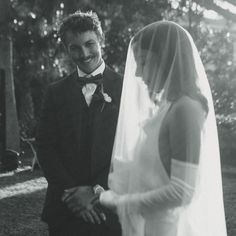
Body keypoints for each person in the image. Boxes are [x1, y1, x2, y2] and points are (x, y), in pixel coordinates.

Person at [99, 21, 227, 236]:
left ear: (166, 59)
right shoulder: (168, 107)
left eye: (144, 62)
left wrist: (121, 202)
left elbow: (183, 191)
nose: (138, 73)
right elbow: (158, 172)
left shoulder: (186, 109)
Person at [36, 10, 122, 236]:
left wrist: (94, 192)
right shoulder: (55, 93)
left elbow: (131, 149)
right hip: (65, 209)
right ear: (66, 49)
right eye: (74, 47)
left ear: (101, 41)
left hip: (110, 207)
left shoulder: (127, 88)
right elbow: (45, 147)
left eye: (89, 44)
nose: (84, 53)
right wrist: (73, 195)